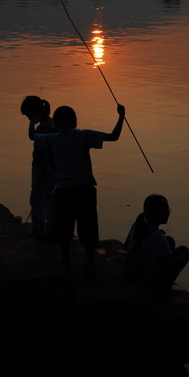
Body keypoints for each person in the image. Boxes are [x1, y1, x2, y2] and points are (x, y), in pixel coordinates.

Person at [32, 104, 125, 277]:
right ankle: (89, 263)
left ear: (57, 123)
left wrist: (32, 122)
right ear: (75, 121)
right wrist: (121, 116)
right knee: (88, 226)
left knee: (64, 227)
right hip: (84, 188)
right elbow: (114, 137)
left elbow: (33, 136)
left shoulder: (52, 138)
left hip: (63, 189)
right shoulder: (83, 135)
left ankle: (66, 259)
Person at [123, 194, 189, 296]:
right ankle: (163, 289)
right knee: (184, 250)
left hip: (133, 272)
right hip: (145, 281)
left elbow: (125, 247)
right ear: (160, 214)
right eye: (166, 210)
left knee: (169, 241)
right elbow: (172, 264)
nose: (168, 212)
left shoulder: (137, 225)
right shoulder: (157, 236)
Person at [21, 96, 55, 241]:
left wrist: (31, 124)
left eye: (28, 115)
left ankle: (39, 230)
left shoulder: (44, 127)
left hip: (41, 167)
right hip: (51, 168)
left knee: (37, 199)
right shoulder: (52, 123)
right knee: (50, 198)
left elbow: (32, 136)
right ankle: (51, 228)